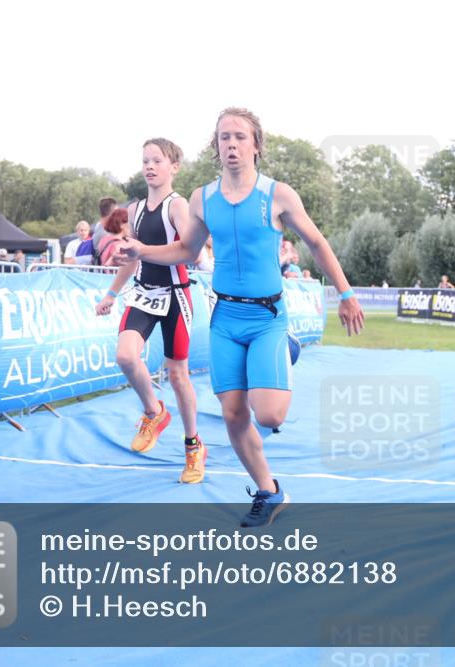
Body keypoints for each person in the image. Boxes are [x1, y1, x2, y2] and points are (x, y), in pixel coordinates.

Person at [117, 107, 364, 527]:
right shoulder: (203, 198)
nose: (231, 144)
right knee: (233, 415)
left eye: (239, 137)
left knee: (268, 415)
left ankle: (286, 350)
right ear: (215, 147)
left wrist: (346, 293)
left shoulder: (278, 195)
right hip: (225, 318)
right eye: (223, 137)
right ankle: (269, 493)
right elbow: (187, 252)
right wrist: (143, 251)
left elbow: (317, 243)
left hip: (267, 317)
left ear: (256, 144)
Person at [95, 138, 204, 484]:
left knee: (177, 375)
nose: (150, 166)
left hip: (175, 295)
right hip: (143, 293)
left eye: (157, 160)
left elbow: (190, 252)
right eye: (145, 160)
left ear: (174, 167)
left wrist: (143, 249)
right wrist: (111, 294)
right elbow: (133, 256)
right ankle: (154, 412)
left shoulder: (178, 205)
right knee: (126, 356)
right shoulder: (136, 208)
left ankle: (193, 446)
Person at [90, 197, 118, 263]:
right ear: (112, 212)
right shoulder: (105, 232)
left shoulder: (98, 227)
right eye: (117, 211)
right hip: (107, 270)